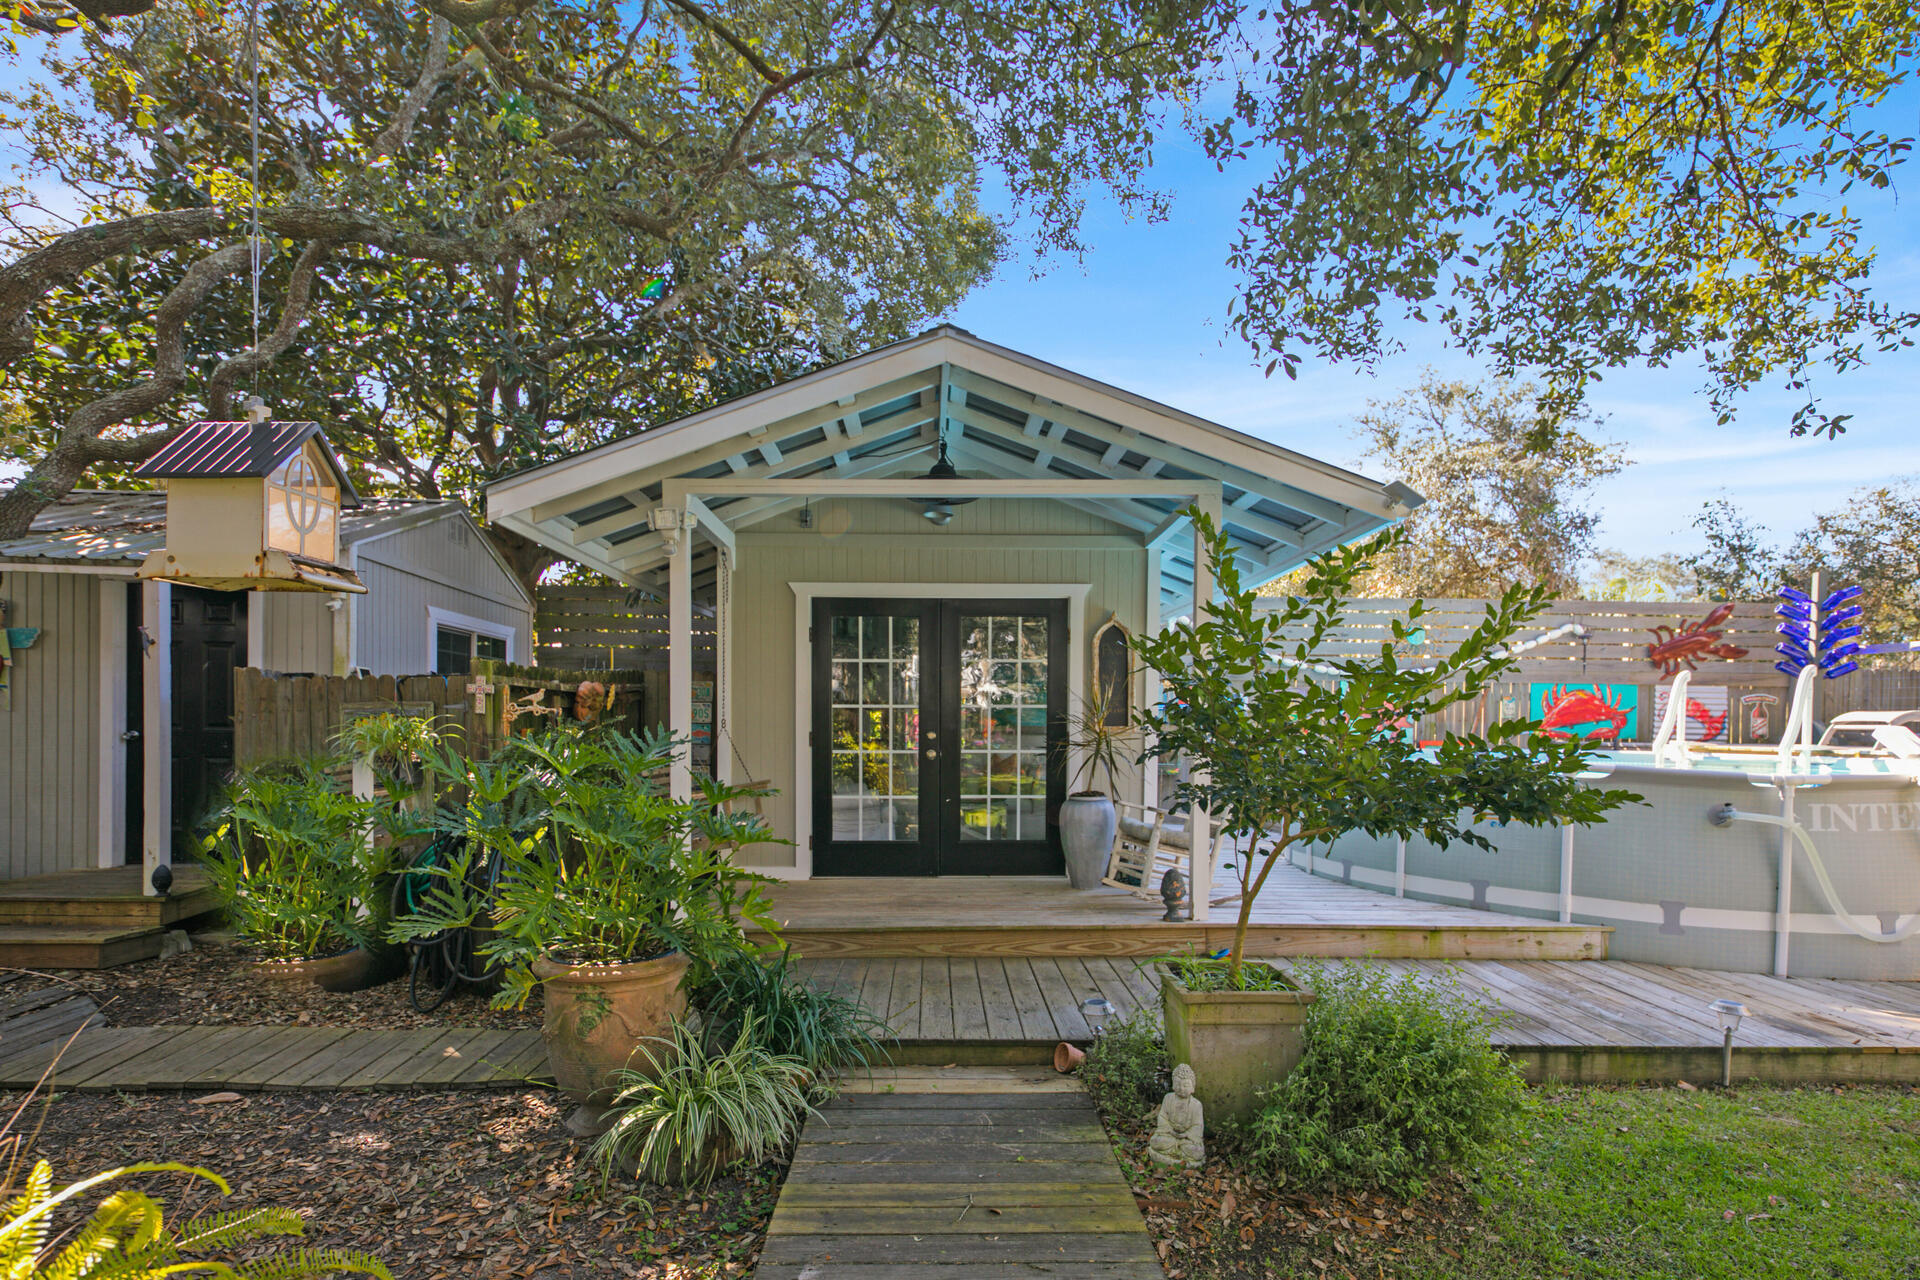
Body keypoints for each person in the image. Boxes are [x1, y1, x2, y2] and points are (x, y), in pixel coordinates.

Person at [1147, 1062, 1204, 1167]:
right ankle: (1176, 1151)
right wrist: (1169, 1130)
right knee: (1155, 1141)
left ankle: (1175, 1151)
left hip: (1187, 1140)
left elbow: (1198, 1125)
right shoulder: (1168, 1098)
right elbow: (1162, 1117)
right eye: (1178, 1084)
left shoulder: (1196, 1105)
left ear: (1193, 1087)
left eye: (1185, 1085)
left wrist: (1186, 1135)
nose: (1181, 1088)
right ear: (1173, 1085)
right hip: (1169, 1135)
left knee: (1197, 1152)